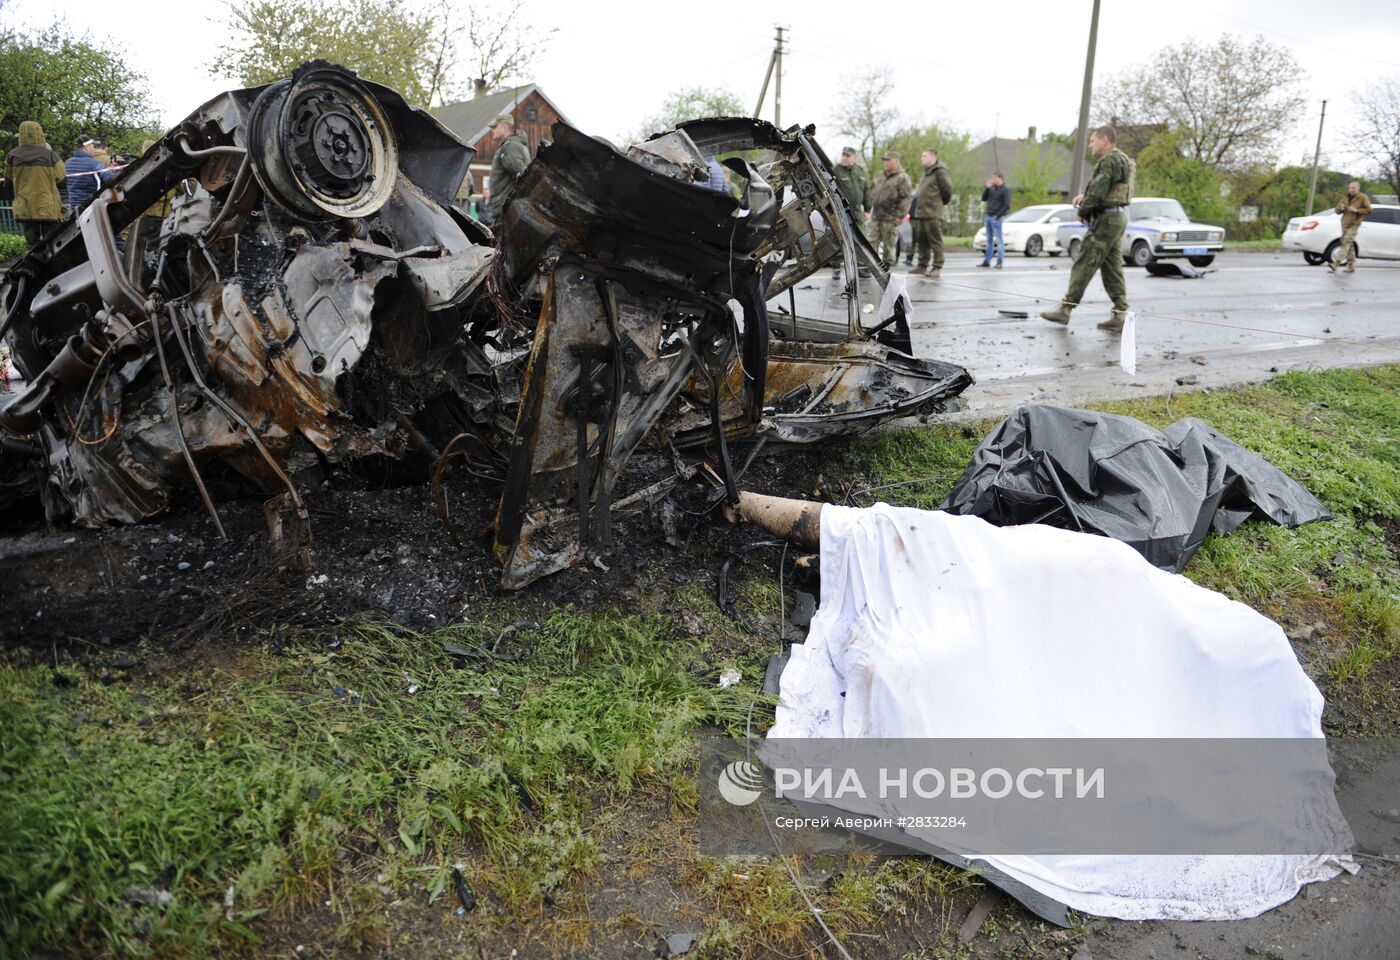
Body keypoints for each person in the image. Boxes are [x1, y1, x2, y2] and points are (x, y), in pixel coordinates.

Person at [1040, 126, 1132, 330]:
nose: (1090, 145)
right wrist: (1086, 197)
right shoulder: (1121, 159)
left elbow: (1099, 189)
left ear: (1105, 140)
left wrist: (1084, 210)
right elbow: (1107, 188)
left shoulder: (1109, 160)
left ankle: (1066, 309)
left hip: (1106, 220)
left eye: (1093, 140)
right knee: (1112, 268)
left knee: (1085, 262)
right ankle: (1120, 314)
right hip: (1117, 217)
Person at [4, 121, 66, 246]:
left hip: (25, 206)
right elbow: (62, 178)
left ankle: (33, 262)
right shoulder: (50, 155)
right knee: (53, 242)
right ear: (40, 133)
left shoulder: (12, 155)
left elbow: (8, 182)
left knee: (32, 244)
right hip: (48, 206)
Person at [911, 148, 954, 278]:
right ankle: (922, 265)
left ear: (933, 157)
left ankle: (937, 266)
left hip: (934, 212)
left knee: (935, 240)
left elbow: (947, 189)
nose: (921, 159)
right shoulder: (926, 173)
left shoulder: (939, 172)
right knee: (922, 241)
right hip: (923, 212)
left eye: (924, 156)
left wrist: (943, 203)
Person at [486, 113, 531, 226]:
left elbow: (523, 174)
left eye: (495, 127)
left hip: (506, 208)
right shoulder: (516, 145)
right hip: (507, 207)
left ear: (503, 127)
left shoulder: (510, 146)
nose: (492, 131)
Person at [868, 151, 912, 266]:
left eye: (888, 160)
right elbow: (871, 191)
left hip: (890, 217)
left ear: (896, 162)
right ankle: (869, 265)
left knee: (889, 244)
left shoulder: (902, 178)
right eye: (885, 160)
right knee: (871, 241)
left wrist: (900, 216)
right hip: (876, 215)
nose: (885, 163)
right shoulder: (879, 175)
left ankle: (887, 268)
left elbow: (906, 198)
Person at [1329, 181, 1372, 273]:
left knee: (1346, 242)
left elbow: (1369, 210)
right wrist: (1340, 207)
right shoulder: (1345, 197)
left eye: (1353, 188)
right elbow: (1337, 211)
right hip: (1344, 223)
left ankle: (1336, 262)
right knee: (1349, 245)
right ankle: (1351, 266)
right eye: (1350, 188)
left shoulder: (1362, 197)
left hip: (1354, 224)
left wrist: (1357, 210)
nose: (1351, 190)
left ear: (1358, 188)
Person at [64, 134, 111, 212]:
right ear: (87, 147)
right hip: (90, 207)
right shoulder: (94, 164)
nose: (94, 149)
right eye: (92, 146)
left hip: (73, 208)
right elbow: (110, 179)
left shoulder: (67, 163)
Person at [979, 171, 1010, 268]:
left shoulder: (1005, 189)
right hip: (988, 215)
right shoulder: (992, 188)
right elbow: (984, 198)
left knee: (999, 240)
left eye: (994, 178)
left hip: (997, 217)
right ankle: (987, 261)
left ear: (1000, 178)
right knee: (989, 240)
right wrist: (987, 188)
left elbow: (1006, 205)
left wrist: (998, 215)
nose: (992, 180)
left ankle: (999, 262)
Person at [832, 146, 870, 224]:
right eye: (843, 155)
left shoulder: (860, 170)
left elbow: (867, 190)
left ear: (854, 158)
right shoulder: (836, 170)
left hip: (858, 215)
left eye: (848, 156)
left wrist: (867, 210)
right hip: (843, 216)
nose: (844, 158)